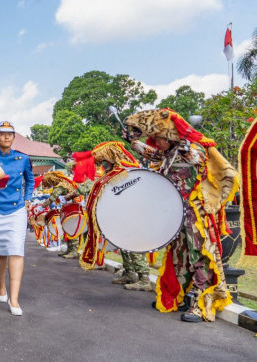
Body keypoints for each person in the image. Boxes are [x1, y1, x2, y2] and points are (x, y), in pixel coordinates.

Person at [125, 109, 238, 322]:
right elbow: (151, 153)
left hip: (195, 216)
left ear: (169, 137)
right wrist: (133, 142)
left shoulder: (191, 148)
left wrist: (187, 148)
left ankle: (199, 302)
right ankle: (181, 295)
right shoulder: (168, 152)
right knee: (179, 256)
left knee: (198, 256)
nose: (156, 143)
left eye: (158, 139)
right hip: (176, 214)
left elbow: (197, 158)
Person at [68, 142, 151, 290]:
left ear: (111, 158)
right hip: (120, 215)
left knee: (133, 245)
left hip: (131, 216)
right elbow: (96, 185)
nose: (102, 165)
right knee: (123, 245)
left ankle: (144, 279)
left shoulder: (126, 172)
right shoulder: (112, 173)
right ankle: (130, 273)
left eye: (104, 161)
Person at [0, 121, 34, 316]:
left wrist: (27, 198)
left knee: (17, 251)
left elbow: (31, 180)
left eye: (10, 134)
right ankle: (1, 287)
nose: (6, 137)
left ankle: (14, 299)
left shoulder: (23, 158)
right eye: (2, 134)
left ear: (14, 137)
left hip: (16, 210)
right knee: (0, 253)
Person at [38, 171, 79, 259]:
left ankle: (74, 251)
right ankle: (70, 249)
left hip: (71, 209)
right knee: (68, 229)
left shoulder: (60, 186)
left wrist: (41, 207)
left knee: (71, 229)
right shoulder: (64, 183)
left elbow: (52, 198)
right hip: (70, 208)